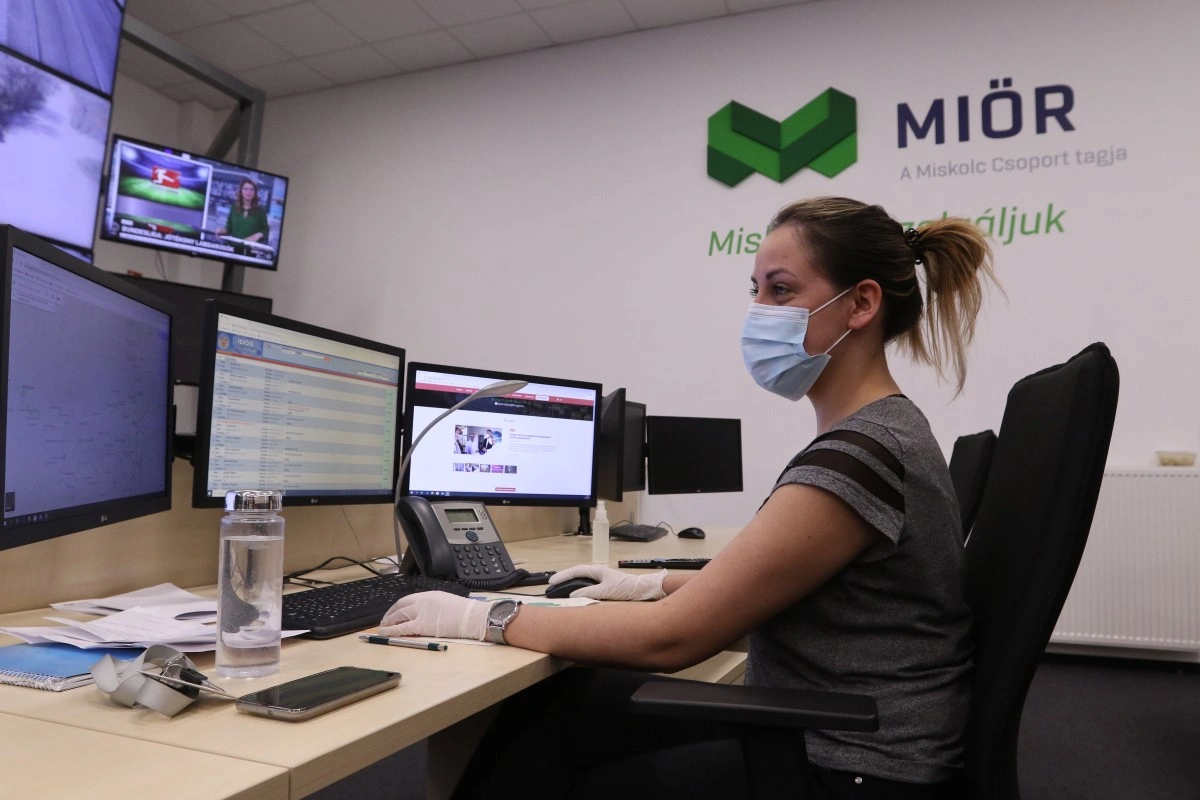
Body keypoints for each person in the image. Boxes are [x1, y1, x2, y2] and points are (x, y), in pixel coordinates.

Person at [380, 197, 997, 799]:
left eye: (781, 290)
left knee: (565, 757)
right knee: (557, 708)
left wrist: (481, 618)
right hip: (832, 720)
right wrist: (647, 584)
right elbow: (788, 588)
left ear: (861, 303)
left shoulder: (860, 457)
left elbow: (671, 641)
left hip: (849, 762)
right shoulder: (881, 434)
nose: (758, 311)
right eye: (755, 290)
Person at [215, 178, 269, 243]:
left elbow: (265, 231)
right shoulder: (234, 207)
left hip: (250, 248)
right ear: (241, 191)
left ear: (255, 192)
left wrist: (257, 235)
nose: (248, 192)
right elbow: (229, 228)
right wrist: (221, 230)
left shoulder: (261, 210)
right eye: (245, 189)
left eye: (251, 189)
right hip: (232, 246)